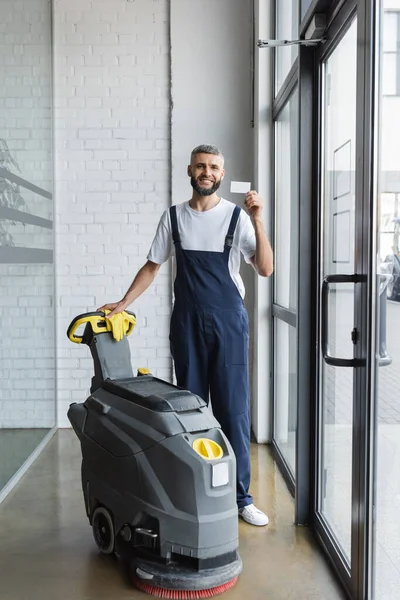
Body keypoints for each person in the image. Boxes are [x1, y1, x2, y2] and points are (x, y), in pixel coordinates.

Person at [98, 144, 274, 526]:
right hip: (187, 322)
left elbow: (265, 269)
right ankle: (194, 490)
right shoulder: (173, 218)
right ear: (190, 171)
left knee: (233, 412)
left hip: (228, 323)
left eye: (213, 167)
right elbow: (152, 265)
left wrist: (259, 220)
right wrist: (124, 303)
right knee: (189, 412)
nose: (206, 172)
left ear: (221, 175)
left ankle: (241, 497)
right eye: (200, 166)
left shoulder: (237, 217)